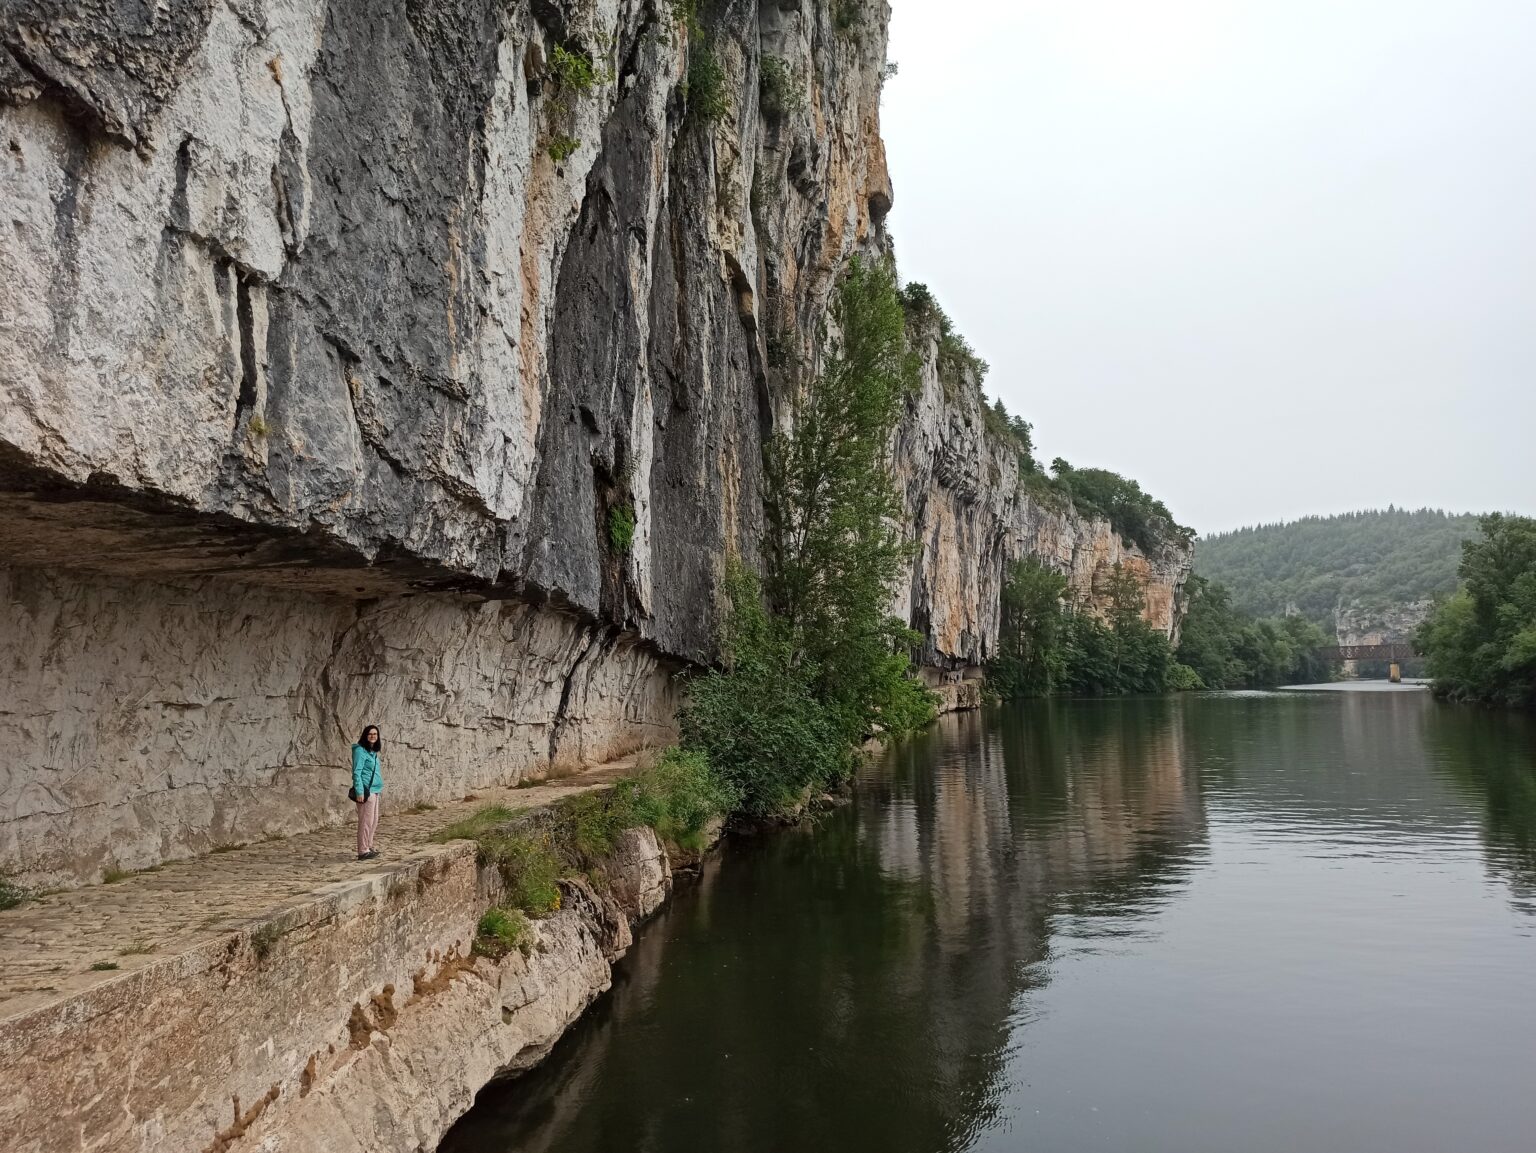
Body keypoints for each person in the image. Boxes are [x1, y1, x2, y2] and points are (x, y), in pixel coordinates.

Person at [352, 725, 383, 860]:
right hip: (366, 791)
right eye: (370, 734)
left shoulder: (372, 752)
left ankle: (368, 846)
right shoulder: (360, 751)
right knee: (366, 821)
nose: (373, 736)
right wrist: (359, 791)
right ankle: (363, 850)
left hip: (375, 790)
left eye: (375, 734)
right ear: (365, 735)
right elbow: (356, 772)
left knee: (373, 820)